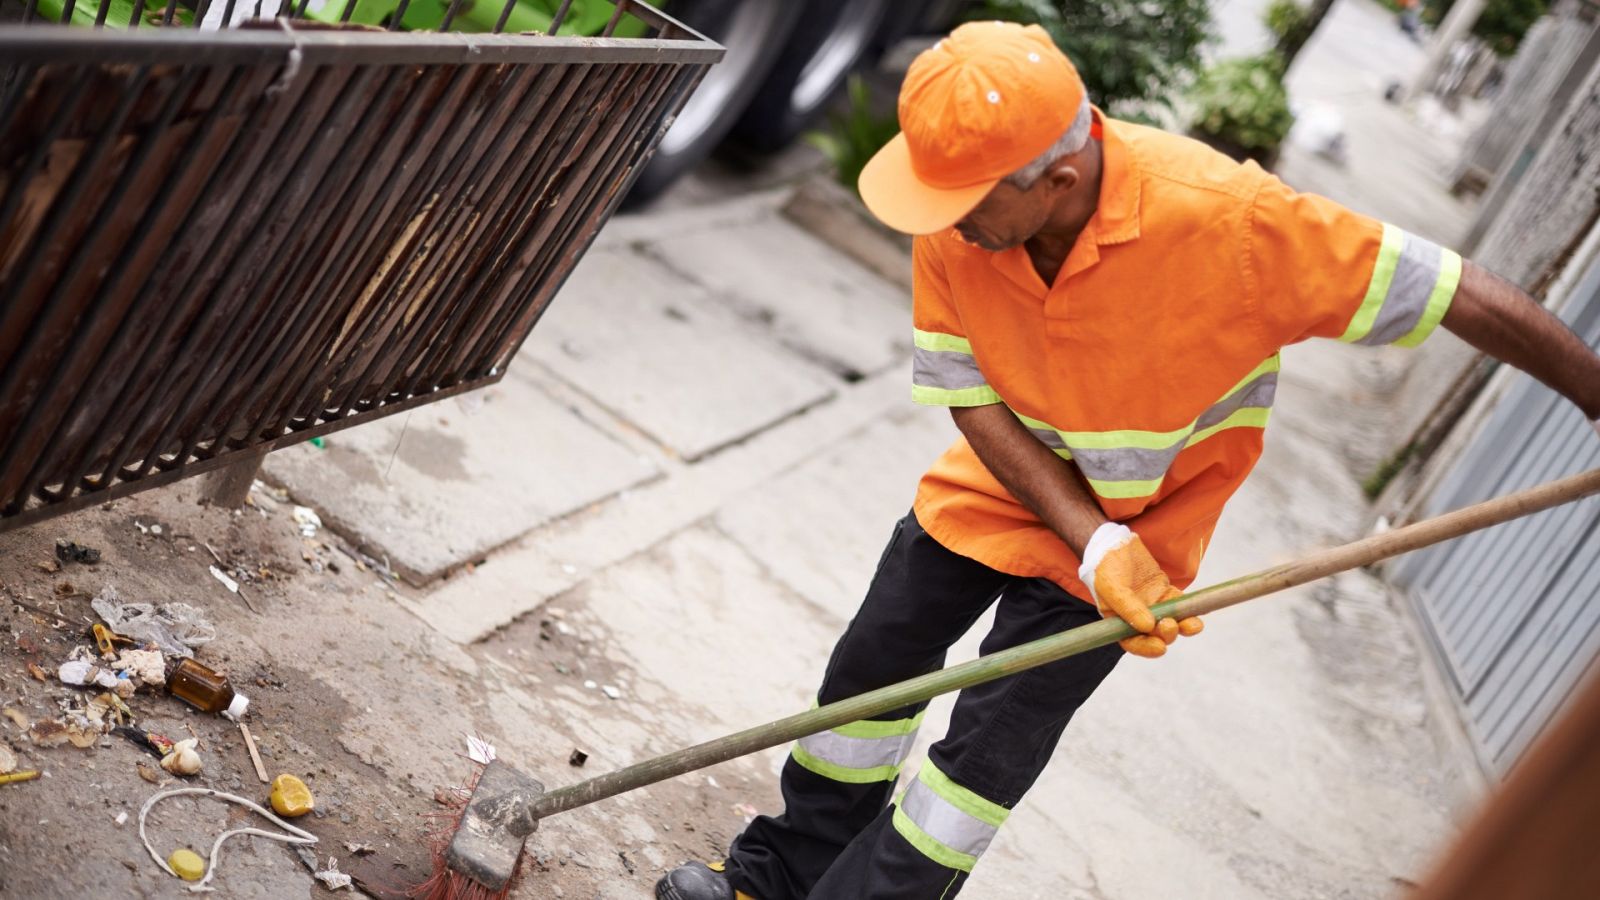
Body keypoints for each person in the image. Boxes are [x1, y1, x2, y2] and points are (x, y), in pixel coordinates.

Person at [657, 21, 1600, 900]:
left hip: (1135, 554)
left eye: (969, 203)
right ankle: (776, 875)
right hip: (997, 490)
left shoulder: (1233, 225)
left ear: (1058, 180)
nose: (945, 223)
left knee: (974, 772)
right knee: (868, 679)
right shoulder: (959, 217)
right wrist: (1083, 531)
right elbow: (972, 395)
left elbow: (1458, 296)